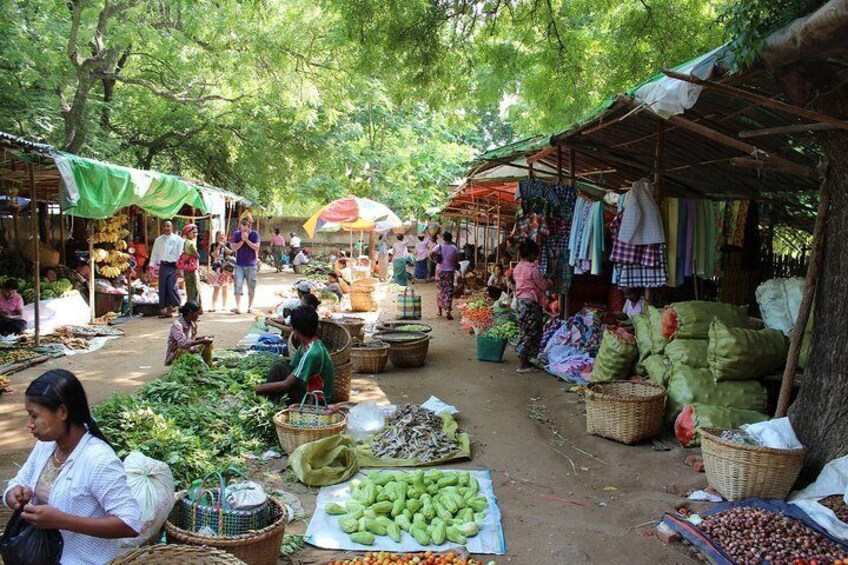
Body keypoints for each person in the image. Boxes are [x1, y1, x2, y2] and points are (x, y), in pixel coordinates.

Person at [3, 370, 141, 564]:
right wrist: (13, 495)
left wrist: (62, 521)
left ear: (62, 412)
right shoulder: (46, 446)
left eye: (34, 416)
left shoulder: (99, 460)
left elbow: (129, 523)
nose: (29, 424)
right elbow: (19, 481)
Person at [256, 306, 335, 405]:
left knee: (278, 371)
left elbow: (286, 385)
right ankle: (269, 400)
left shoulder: (312, 353)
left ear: (296, 329)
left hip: (316, 399)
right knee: (279, 365)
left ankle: (269, 404)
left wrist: (258, 388)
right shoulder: (307, 344)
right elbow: (293, 365)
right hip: (307, 386)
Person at [513, 240, 553, 373]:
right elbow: (543, 285)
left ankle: (525, 359)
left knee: (525, 330)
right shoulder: (533, 269)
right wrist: (549, 281)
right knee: (532, 332)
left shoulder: (518, 267)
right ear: (532, 254)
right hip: (531, 304)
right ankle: (523, 363)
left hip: (520, 302)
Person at [149, 220, 184, 318]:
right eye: (164, 226)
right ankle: (168, 311)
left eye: (168, 226)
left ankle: (179, 309)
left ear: (172, 227)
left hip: (174, 266)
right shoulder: (158, 240)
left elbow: (181, 254)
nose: (166, 228)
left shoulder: (178, 240)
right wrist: (152, 265)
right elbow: (154, 253)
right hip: (163, 266)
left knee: (172, 288)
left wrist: (179, 267)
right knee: (163, 288)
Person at [165, 301, 213, 366]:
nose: (198, 316)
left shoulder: (193, 324)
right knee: (182, 351)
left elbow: (191, 339)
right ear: (190, 312)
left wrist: (201, 338)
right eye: (197, 313)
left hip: (190, 350)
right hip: (176, 353)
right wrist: (201, 341)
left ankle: (207, 365)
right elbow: (183, 344)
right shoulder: (177, 325)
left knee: (208, 345)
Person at [231, 218, 260, 314]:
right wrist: (242, 240)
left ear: (249, 227)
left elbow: (256, 247)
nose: (243, 231)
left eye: (245, 230)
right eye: (242, 229)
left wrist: (247, 239)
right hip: (239, 264)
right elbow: (234, 248)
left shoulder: (254, 234)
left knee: (251, 286)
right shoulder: (236, 234)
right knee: (238, 285)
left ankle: (250, 306)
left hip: (251, 264)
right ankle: (238, 307)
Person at [431, 232, 459, 319]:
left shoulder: (438, 246)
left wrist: (435, 262)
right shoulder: (454, 248)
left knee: (440, 290)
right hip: (450, 272)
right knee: (449, 291)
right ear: (451, 238)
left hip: (439, 271)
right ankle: (448, 311)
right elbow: (456, 260)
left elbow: (430, 254)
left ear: (443, 238)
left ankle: (439, 311)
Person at [209, 231, 234, 312]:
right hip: (216, 268)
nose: (221, 238)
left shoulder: (228, 244)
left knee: (225, 288)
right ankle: (213, 306)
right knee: (216, 288)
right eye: (219, 237)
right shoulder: (213, 245)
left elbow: (231, 253)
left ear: (225, 237)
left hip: (226, 269)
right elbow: (213, 255)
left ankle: (224, 305)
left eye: (222, 237)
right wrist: (218, 247)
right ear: (216, 238)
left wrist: (224, 246)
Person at [180, 224, 202, 311]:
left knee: (192, 290)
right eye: (193, 232)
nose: (195, 234)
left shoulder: (186, 242)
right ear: (188, 233)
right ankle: (193, 310)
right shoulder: (190, 243)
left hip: (188, 269)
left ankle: (196, 309)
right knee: (194, 290)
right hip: (191, 270)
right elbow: (197, 255)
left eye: (196, 232)